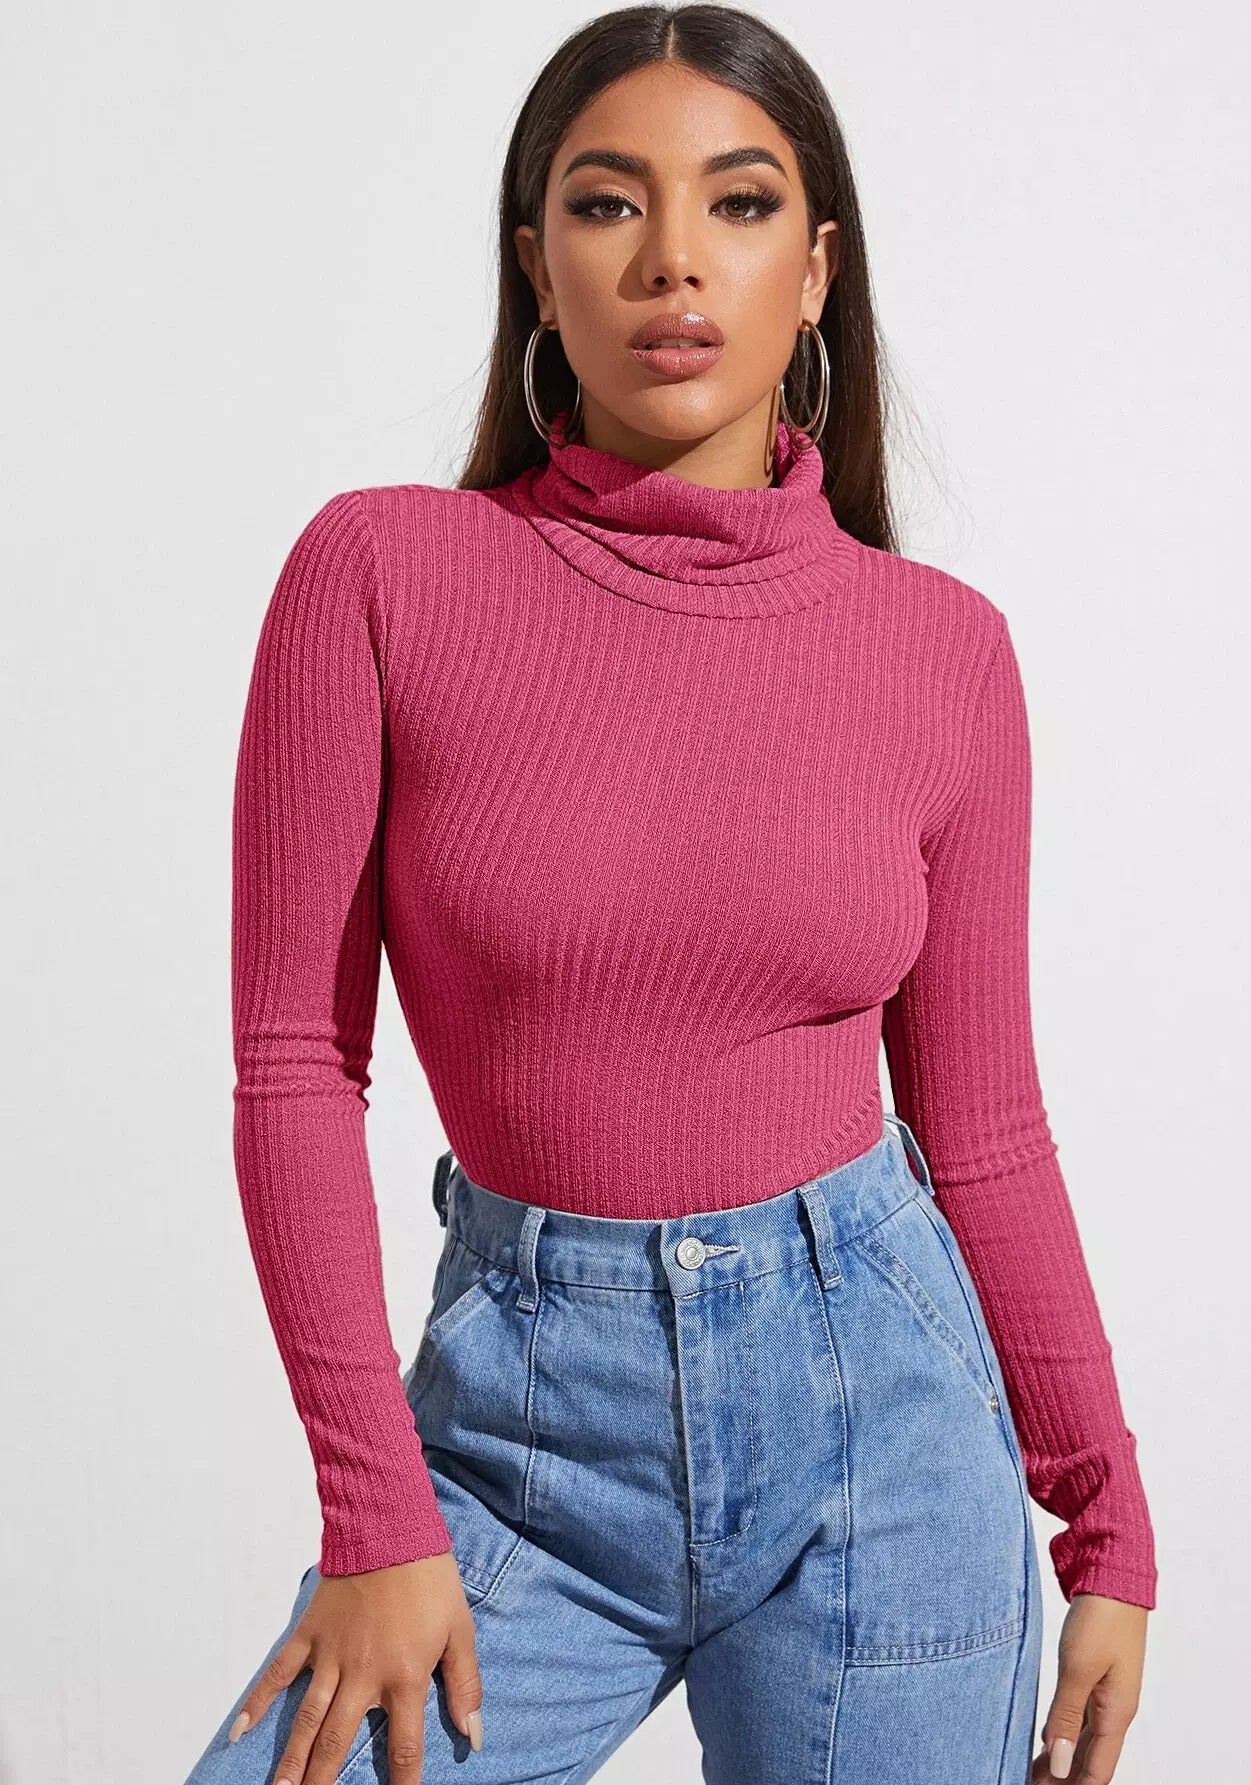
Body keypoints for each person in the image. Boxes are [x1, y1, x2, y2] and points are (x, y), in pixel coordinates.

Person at [184, 7, 1156, 1783]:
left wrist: (1109, 1519)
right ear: (535, 263)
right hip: (519, 1453)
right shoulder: (382, 577)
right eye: (609, 202)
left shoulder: (941, 653)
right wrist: (376, 1518)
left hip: (889, 1450)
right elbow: (295, 1070)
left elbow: (985, 1128)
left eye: (741, 201)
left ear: (818, 270)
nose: (675, 259)